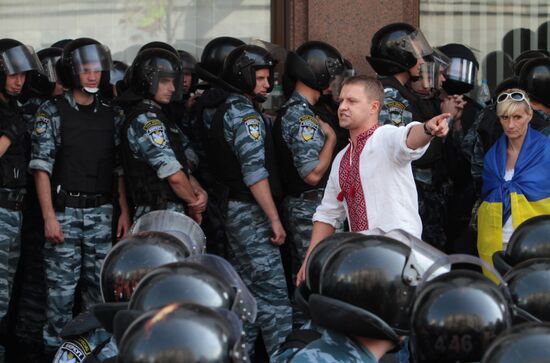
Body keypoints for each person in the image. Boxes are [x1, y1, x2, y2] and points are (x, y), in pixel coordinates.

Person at [29, 37, 131, 355]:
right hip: (65, 214)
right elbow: (41, 168)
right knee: (60, 296)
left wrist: (124, 211)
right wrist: (49, 217)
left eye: (97, 71)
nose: (92, 76)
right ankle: (54, 354)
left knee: (98, 295)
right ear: (72, 72)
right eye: (86, 70)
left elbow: (118, 170)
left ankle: (94, 355)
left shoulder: (111, 115)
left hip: (101, 213)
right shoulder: (52, 112)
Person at [297, 75, 449, 284]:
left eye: (352, 101)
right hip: (365, 263)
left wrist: (427, 129)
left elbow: (408, 138)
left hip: (401, 260)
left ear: (373, 107)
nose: (342, 107)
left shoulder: (385, 137)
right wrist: (309, 261)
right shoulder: (341, 159)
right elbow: (327, 214)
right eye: (341, 101)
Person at [206, 44, 291, 358]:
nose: (267, 85)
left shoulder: (228, 108)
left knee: (248, 298)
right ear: (243, 77)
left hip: (236, 211)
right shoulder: (243, 114)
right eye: (260, 78)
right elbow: (254, 173)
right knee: (275, 302)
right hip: (250, 214)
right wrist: (274, 219)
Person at [273, 41, 343, 325]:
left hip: (312, 207)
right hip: (308, 208)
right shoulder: (302, 116)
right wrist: (331, 141)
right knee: (310, 278)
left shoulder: (309, 111)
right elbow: (312, 174)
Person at [121, 47, 207, 221]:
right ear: (147, 80)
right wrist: (194, 203)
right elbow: (173, 175)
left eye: (173, 81)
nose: (172, 87)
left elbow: (182, 161)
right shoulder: (146, 120)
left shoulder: (160, 116)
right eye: (165, 81)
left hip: (169, 210)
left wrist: (198, 190)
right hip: (158, 213)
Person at [0, 38, 43, 362]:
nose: (19, 81)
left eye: (22, 75)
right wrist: (9, 133)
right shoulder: (7, 117)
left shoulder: (12, 110)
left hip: (14, 211)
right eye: (12, 74)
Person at [477, 88, 550, 279]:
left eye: (517, 117)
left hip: (536, 243)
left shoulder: (546, 151)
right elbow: (486, 197)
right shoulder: (492, 156)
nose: (510, 125)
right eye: (504, 117)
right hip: (496, 241)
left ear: (529, 115)